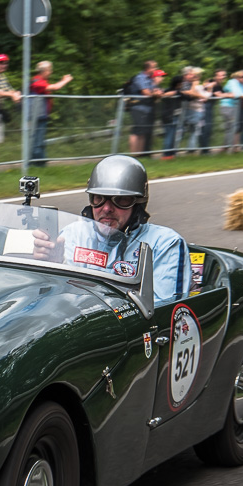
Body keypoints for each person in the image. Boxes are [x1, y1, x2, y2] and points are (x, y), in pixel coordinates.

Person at [32, 155, 190, 305]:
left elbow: (165, 308)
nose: (106, 208)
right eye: (99, 198)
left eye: (120, 200)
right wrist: (55, 265)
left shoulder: (164, 244)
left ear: (138, 204)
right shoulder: (74, 234)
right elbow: (57, 298)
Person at [29, 60, 72, 165]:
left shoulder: (41, 81)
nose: (51, 72)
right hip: (37, 117)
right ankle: (37, 164)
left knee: (40, 141)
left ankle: (40, 163)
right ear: (43, 71)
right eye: (49, 70)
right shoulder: (36, 82)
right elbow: (55, 87)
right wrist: (65, 80)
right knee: (37, 142)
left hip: (42, 116)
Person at [127, 60, 162, 156]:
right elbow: (145, 92)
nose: (155, 69)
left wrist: (157, 90)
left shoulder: (150, 79)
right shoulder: (140, 77)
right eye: (154, 67)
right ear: (148, 68)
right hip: (138, 107)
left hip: (147, 108)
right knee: (137, 131)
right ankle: (134, 154)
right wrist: (154, 94)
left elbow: (155, 90)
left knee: (143, 132)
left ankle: (140, 154)